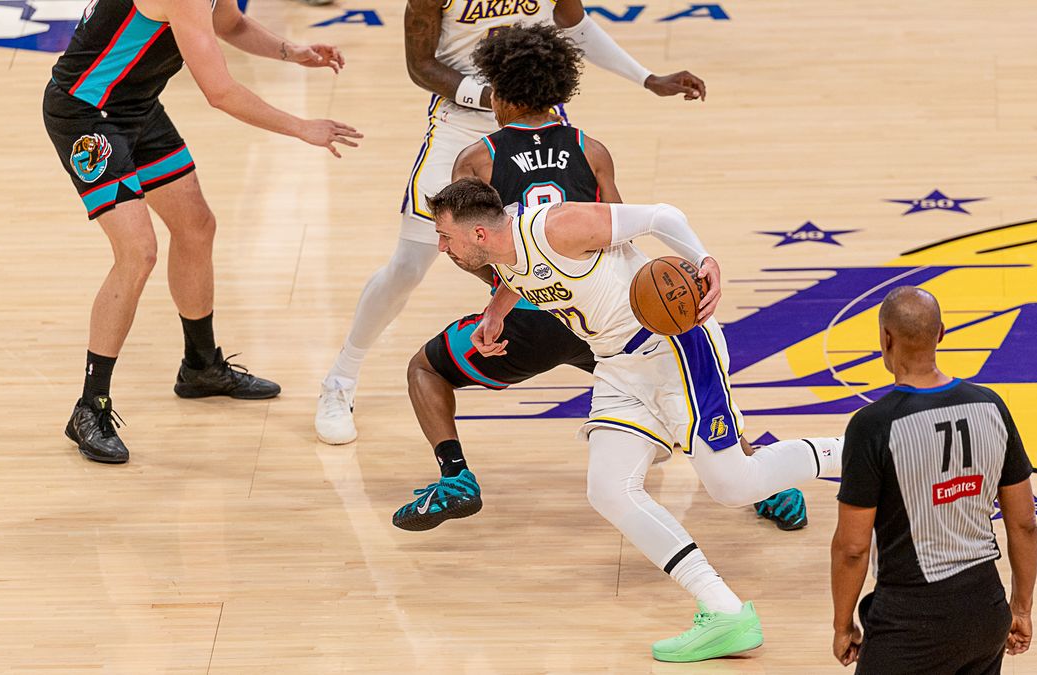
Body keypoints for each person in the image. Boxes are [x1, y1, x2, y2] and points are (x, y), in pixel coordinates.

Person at [392, 24, 808, 534]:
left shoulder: (477, 158)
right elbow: (615, 236)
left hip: (531, 316)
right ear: (558, 88)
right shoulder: (591, 149)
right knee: (684, 380)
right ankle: (764, 475)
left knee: (425, 370)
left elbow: (477, 252)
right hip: (607, 315)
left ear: (497, 93)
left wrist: (503, 297)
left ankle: (455, 476)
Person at [425, 177, 844, 662]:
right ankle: (724, 610)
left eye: (446, 236)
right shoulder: (502, 251)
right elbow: (521, 278)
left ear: (478, 235)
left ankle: (868, 446)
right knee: (608, 488)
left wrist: (706, 261)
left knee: (734, 486)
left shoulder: (558, 227)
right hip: (619, 368)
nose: (441, 246)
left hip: (673, 348)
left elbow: (662, 216)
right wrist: (495, 312)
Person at [314, 0, 709, 445]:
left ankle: (635, 398)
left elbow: (572, 22)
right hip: (463, 122)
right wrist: (497, 96)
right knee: (409, 264)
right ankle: (340, 380)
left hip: (535, 112)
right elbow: (422, 65)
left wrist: (646, 77)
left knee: (590, 250)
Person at [44, 0, 362, 463]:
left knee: (196, 227)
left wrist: (291, 52)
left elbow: (229, 22)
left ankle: (200, 366)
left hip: (135, 106)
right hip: (85, 113)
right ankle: (89, 406)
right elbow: (221, 92)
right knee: (138, 252)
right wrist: (301, 127)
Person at [830, 287, 1037, 673]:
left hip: (909, 620)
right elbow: (1024, 524)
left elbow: (853, 548)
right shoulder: (991, 406)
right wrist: (1020, 608)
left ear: (885, 338)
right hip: (985, 609)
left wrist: (843, 624)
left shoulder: (873, 426)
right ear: (941, 333)